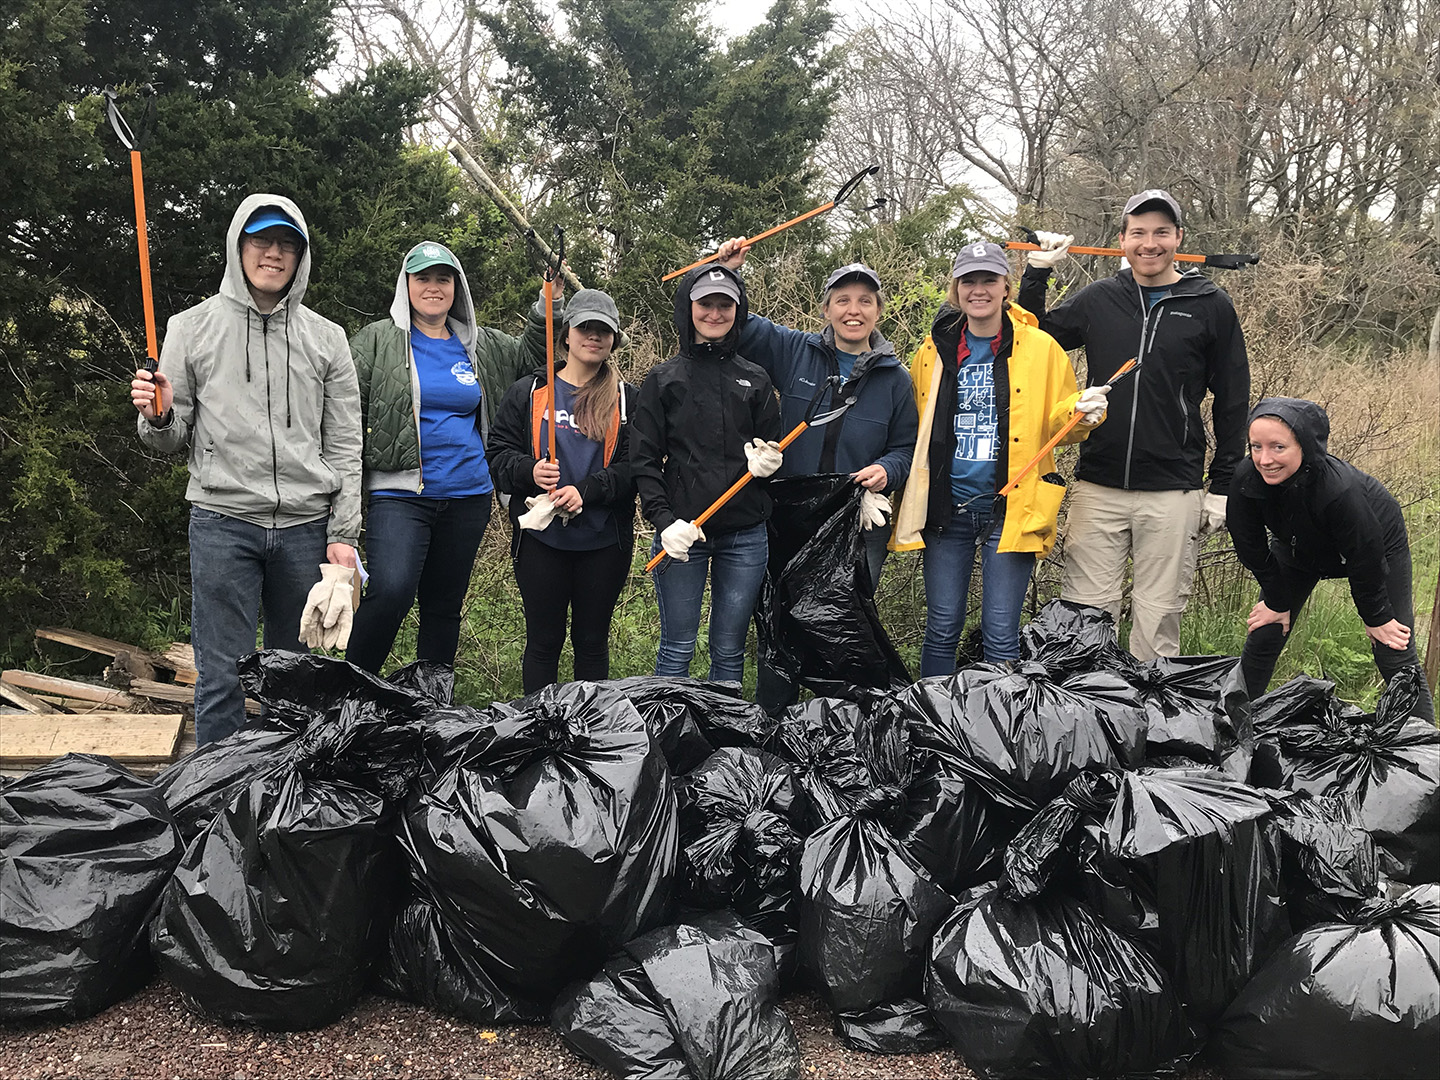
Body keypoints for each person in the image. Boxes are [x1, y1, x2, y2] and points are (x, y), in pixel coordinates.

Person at [131, 194, 361, 745]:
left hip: (306, 530)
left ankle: (289, 800)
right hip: (221, 522)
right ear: (239, 247)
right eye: (262, 240)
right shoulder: (191, 328)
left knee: (296, 680)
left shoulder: (326, 338)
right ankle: (215, 804)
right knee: (221, 678)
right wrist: (158, 416)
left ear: (300, 258)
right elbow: (169, 437)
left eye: (287, 244)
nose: (273, 254)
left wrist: (343, 534)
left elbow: (346, 443)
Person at [1018, 188, 1250, 660]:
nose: (1150, 243)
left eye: (1161, 232)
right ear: (1122, 240)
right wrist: (1037, 272)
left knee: (1158, 620)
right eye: (1138, 232)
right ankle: (1093, 721)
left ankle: (1153, 727)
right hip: (1099, 485)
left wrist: (1223, 484)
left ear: (1178, 238)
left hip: (1173, 490)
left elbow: (1232, 400)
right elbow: (1033, 335)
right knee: (1085, 620)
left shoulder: (1209, 304)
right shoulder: (1101, 298)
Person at [711, 243, 917, 709]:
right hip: (787, 518)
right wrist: (723, 271)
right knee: (779, 623)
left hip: (856, 524)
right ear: (825, 308)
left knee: (843, 627)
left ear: (878, 311)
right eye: (843, 300)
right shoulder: (794, 351)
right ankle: (773, 725)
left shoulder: (895, 379)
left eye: (865, 301)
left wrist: (887, 471)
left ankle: (838, 729)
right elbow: (734, 321)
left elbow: (906, 448)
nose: (853, 310)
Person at [892, 242, 1108, 677]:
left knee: (1001, 632)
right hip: (947, 510)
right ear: (955, 289)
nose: (978, 290)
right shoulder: (932, 352)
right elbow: (914, 426)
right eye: (968, 281)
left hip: (1011, 507)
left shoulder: (1042, 348)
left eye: (988, 279)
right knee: (942, 627)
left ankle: (997, 732)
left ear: (1006, 286)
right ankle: (935, 722)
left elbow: (1059, 424)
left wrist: (1082, 413)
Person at [343, 241, 550, 674]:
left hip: (469, 495)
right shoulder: (378, 340)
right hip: (399, 494)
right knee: (392, 591)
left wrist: (547, 303)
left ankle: (430, 706)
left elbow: (533, 358)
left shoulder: (481, 345)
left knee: (444, 605)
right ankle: (351, 690)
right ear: (406, 285)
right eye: (422, 278)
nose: (433, 287)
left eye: (443, 278)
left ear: (457, 287)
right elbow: (343, 411)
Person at [1228, 397, 1435, 721]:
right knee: (1266, 630)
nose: (1264, 459)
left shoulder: (1339, 490)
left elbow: (1365, 556)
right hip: (1298, 549)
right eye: (1256, 446)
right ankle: (1234, 726)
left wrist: (1377, 616)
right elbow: (1249, 543)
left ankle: (1426, 749)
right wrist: (1277, 600)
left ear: (1304, 446)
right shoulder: (1246, 478)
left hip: (1377, 545)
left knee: (1392, 643)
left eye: (1278, 447)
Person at [631, 263, 783, 685]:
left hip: (745, 534)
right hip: (683, 533)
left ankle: (725, 738)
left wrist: (768, 464)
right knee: (677, 645)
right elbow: (644, 461)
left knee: (730, 646)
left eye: (724, 305)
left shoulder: (755, 379)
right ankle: (669, 736)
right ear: (689, 309)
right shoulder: (663, 380)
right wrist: (663, 523)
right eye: (705, 304)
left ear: (738, 311)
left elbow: (772, 448)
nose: (714, 314)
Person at [488, 288, 638, 693]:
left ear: (613, 340)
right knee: (543, 641)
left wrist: (587, 491)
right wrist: (529, 470)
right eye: (585, 327)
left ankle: (589, 733)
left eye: (603, 330)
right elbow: (497, 456)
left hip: (603, 542)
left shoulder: (627, 400)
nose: (594, 336)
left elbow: (635, 468)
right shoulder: (529, 392)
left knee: (591, 643)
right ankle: (538, 731)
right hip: (541, 540)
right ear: (566, 334)